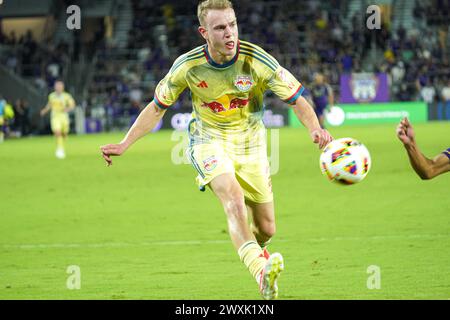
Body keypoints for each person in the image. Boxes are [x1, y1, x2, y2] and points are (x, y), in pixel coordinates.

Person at [100, 0, 333, 300]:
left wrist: (314, 128)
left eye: (232, 24)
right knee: (233, 199)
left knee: (267, 228)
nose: (229, 33)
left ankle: (257, 251)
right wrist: (125, 143)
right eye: (220, 27)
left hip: (252, 146)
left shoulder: (257, 60)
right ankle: (261, 272)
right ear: (204, 32)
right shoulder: (188, 66)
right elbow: (157, 108)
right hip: (208, 141)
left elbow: (298, 100)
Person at [40, 80, 76, 159]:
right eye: (57, 86)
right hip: (55, 117)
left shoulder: (67, 96)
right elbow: (49, 105)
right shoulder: (51, 96)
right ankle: (60, 149)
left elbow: (72, 105)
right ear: (55, 87)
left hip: (64, 117)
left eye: (60, 86)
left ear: (63, 87)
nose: (58, 87)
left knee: (64, 134)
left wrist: (67, 109)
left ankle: (61, 146)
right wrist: (44, 111)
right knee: (57, 132)